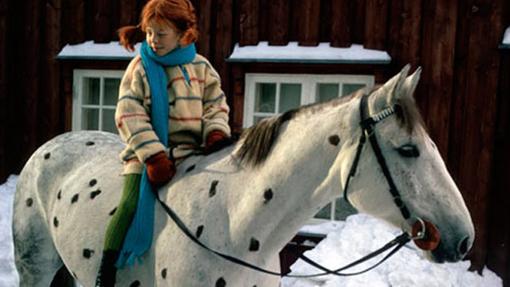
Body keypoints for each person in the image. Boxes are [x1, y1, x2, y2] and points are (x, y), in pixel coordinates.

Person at [95, 0, 231, 285]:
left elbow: (215, 104)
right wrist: (154, 155)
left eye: (162, 34)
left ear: (183, 33)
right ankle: (105, 273)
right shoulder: (140, 68)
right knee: (129, 205)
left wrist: (215, 132)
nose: (154, 41)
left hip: (195, 154)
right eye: (149, 33)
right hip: (148, 157)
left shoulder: (201, 67)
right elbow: (128, 114)